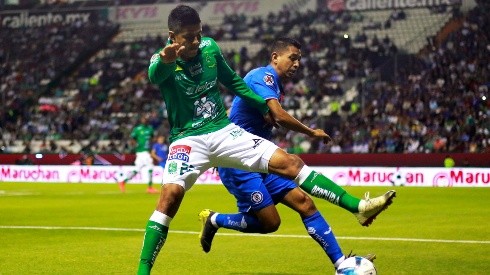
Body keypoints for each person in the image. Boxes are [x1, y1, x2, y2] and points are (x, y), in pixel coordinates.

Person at [137, 5, 395, 274]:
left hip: (222, 130)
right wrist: (166, 59)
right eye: (188, 37)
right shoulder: (162, 60)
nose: (196, 42)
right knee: (170, 196)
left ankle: (358, 207)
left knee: (290, 163)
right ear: (172, 36)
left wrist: (261, 106)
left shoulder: (210, 48)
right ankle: (143, 270)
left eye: (198, 34)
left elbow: (234, 81)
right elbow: (155, 76)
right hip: (187, 139)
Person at [197, 37, 384, 270]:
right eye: (292, 58)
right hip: (238, 162)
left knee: (305, 203)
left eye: (299, 60)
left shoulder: (274, 84)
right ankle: (215, 219)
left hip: (260, 159)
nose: (296, 64)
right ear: (275, 57)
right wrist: (311, 132)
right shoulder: (262, 76)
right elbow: (279, 116)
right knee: (270, 222)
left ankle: (341, 264)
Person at [116, 114, 158, 194]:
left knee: (137, 169)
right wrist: (135, 144)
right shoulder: (137, 129)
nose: (144, 120)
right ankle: (150, 187)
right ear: (141, 120)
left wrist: (151, 145)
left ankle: (123, 181)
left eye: (146, 119)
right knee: (150, 167)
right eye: (143, 119)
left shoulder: (150, 129)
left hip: (146, 151)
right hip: (141, 151)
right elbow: (132, 138)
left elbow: (152, 138)